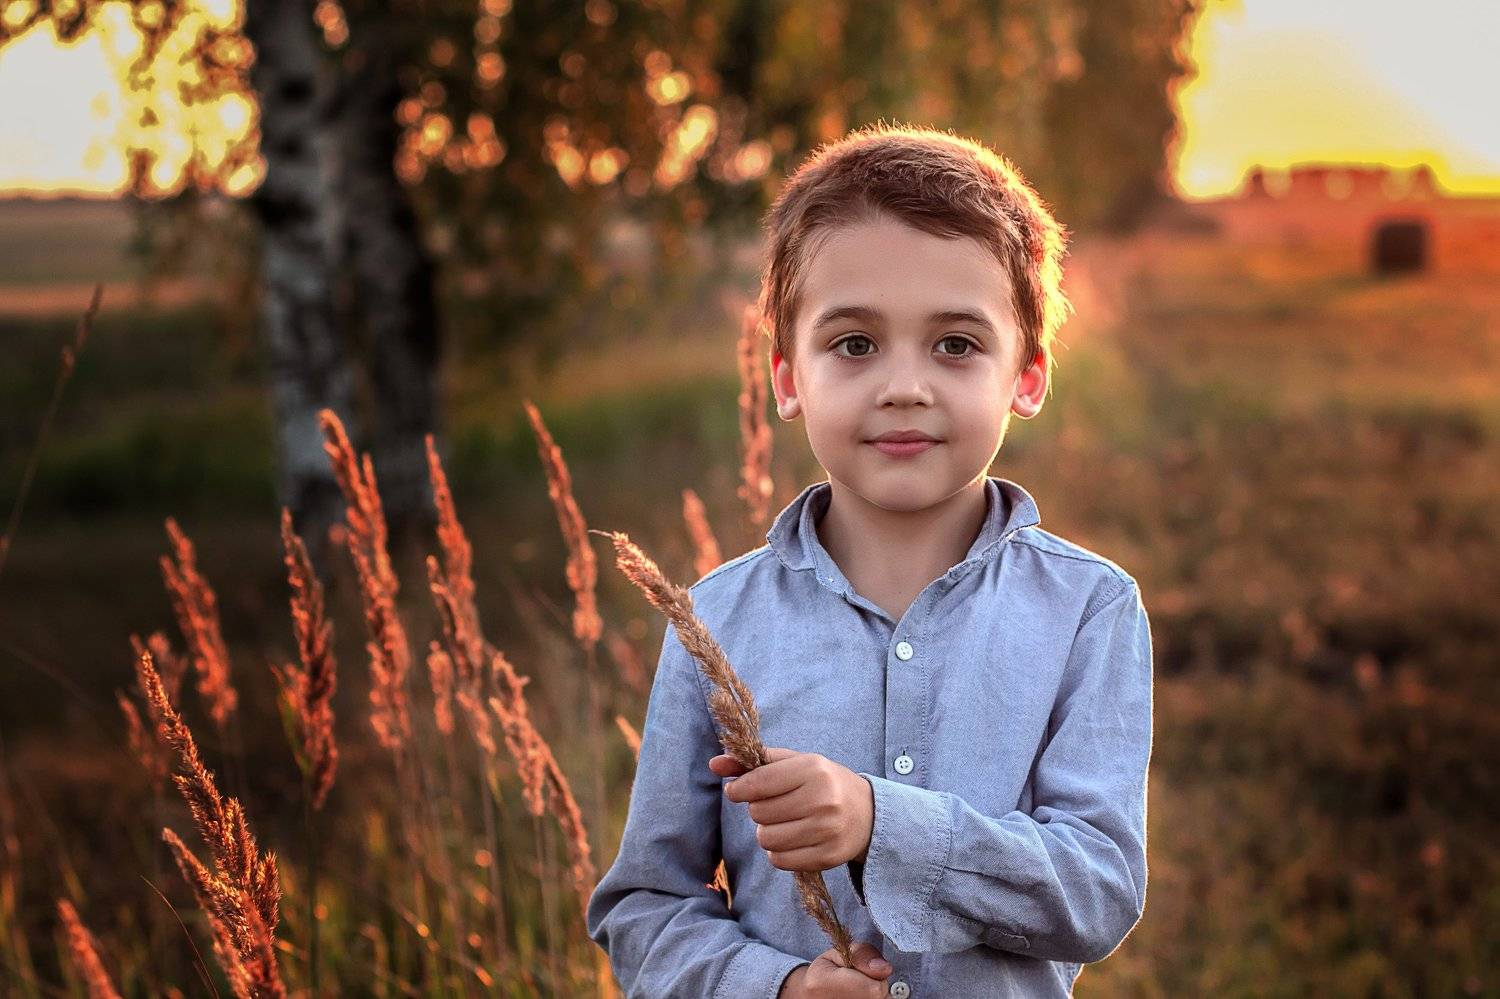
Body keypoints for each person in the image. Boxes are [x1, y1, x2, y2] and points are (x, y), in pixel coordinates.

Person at [587, 122, 1154, 998]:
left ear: (1028, 375)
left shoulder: (1088, 608)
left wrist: (881, 825)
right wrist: (776, 986)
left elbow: (1099, 889)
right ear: (787, 378)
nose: (903, 387)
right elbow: (644, 908)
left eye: (956, 344)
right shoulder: (717, 620)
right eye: (854, 344)